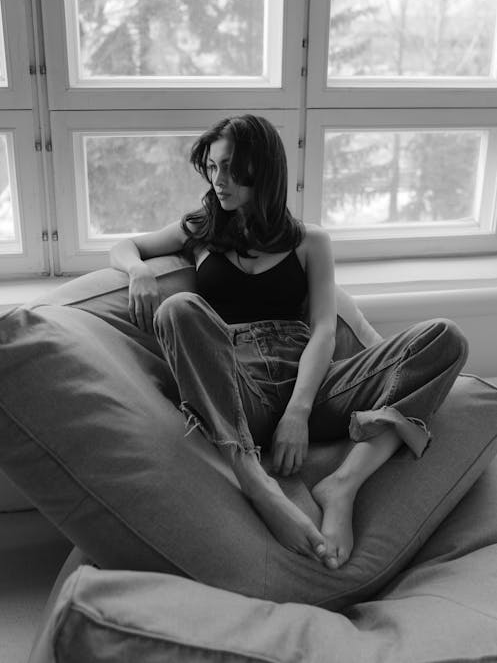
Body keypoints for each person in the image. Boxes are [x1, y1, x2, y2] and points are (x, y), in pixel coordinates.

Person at [110, 114, 469, 571]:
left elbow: (323, 328)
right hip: (241, 392)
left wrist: (298, 413)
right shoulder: (200, 229)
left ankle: (344, 484)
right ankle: (254, 479)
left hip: (314, 386)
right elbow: (125, 246)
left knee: (445, 338)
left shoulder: (310, 241)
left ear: (265, 172)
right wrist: (138, 270)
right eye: (214, 167)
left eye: (233, 170)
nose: (220, 181)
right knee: (178, 307)